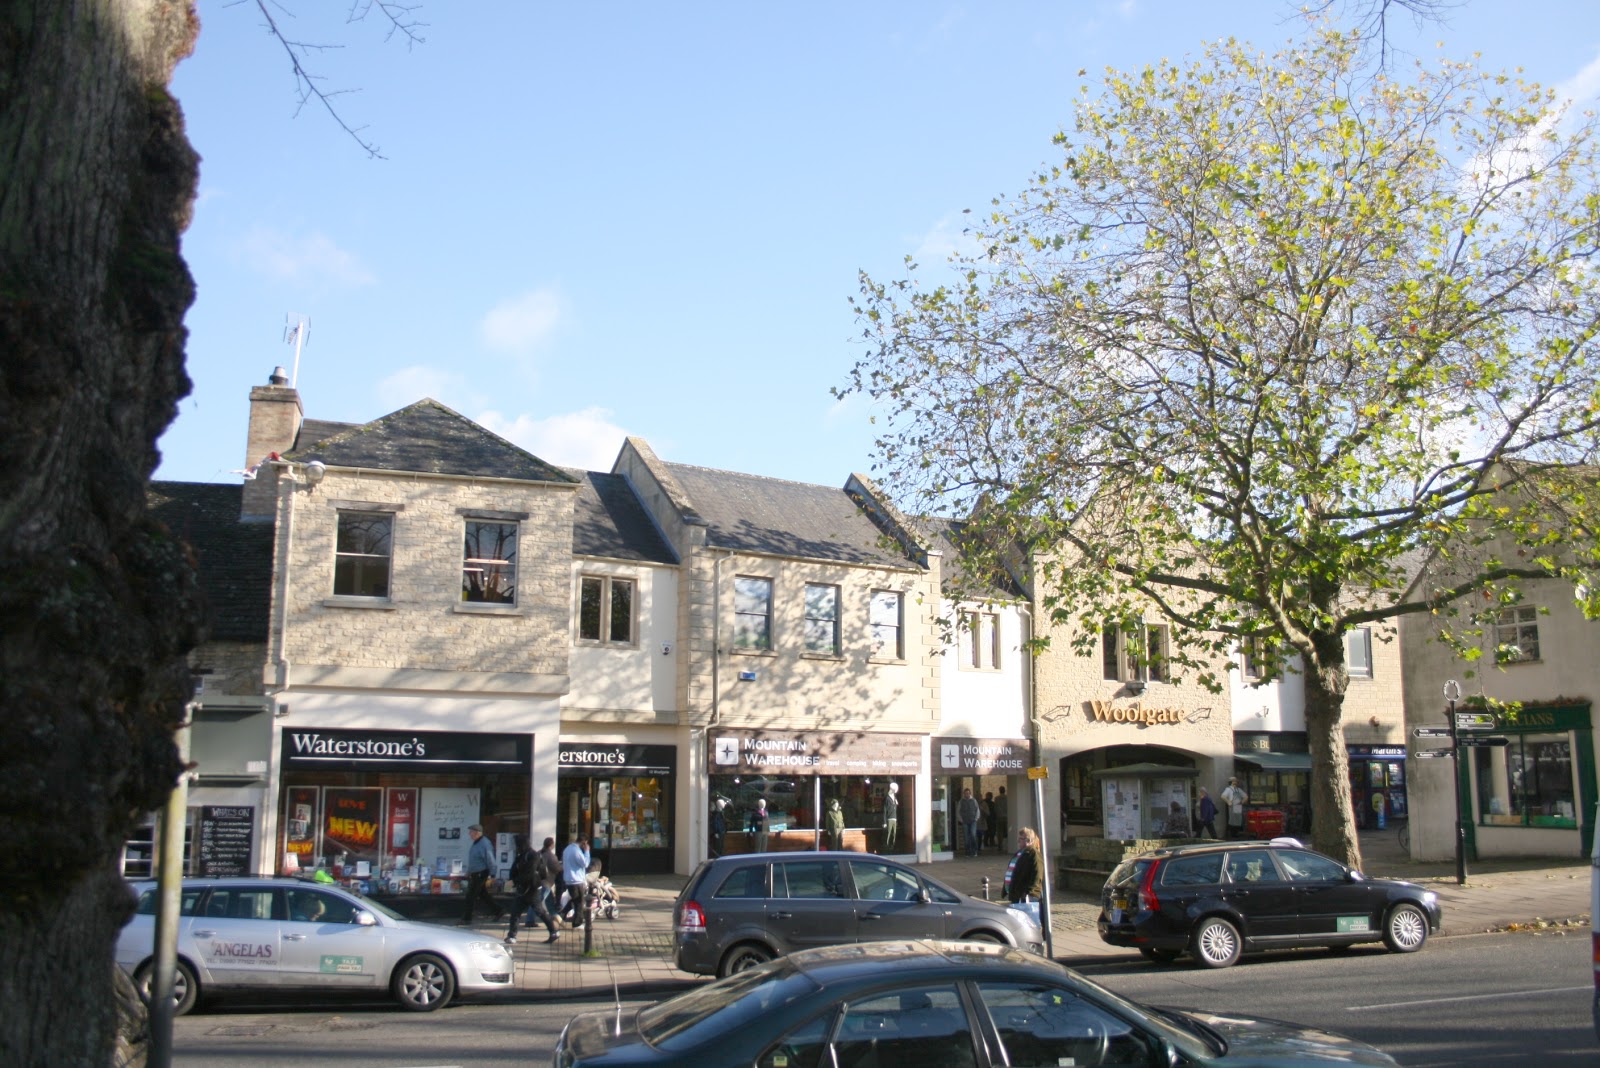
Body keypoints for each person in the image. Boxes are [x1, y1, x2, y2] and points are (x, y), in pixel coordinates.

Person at [504, 833, 558, 945]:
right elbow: (515, 869)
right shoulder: (522, 855)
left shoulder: (532, 855)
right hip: (524, 888)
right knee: (518, 912)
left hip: (531, 888)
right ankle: (512, 935)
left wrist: (514, 881)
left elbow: (529, 873)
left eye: (517, 844)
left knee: (538, 911)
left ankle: (553, 931)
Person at [459, 824, 504, 926]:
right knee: (483, 894)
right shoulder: (476, 843)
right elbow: (474, 859)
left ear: (477, 833)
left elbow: (490, 860)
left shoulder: (485, 844)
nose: (469, 834)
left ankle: (467, 919)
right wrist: (469, 871)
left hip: (481, 873)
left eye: (471, 832)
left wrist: (493, 875)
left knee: (471, 895)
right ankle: (498, 910)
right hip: (475, 873)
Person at [1004, 827, 1044, 905]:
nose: (1018, 841)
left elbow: (1037, 874)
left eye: (1021, 838)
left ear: (1029, 841)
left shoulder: (1034, 854)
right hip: (1015, 893)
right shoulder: (1020, 852)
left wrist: (1030, 892)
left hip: (1025, 896)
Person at [560, 834, 592, 926]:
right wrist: (587, 852)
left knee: (574, 899)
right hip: (576, 880)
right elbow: (585, 863)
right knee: (579, 902)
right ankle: (577, 923)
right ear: (584, 842)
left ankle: (561, 915)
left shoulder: (567, 849)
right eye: (586, 844)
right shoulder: (576, 851)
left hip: (569, 879)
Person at [957, 787, 980, 857]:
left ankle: (974, 850)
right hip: (965, 821)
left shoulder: (974, 800)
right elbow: (958, 811)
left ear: (970, 793)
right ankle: (968, 852)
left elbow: (977, 810)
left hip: (973, 821)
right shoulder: (961, 801)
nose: (967, 795)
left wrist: (976, 818)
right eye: (965, 793)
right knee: (966, 837)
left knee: (973, 835)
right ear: (964, 794)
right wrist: (961, 819)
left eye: (968, 793)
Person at [882, 782, 899, 851]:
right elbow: (885, 810)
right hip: (889, 818)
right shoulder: (887, 798)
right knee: (888, 833)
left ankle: (892, 846)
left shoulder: (895, 798)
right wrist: (884, 822)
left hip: (894, 818)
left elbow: (896, 809)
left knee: (894, 833)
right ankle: (887, 846)